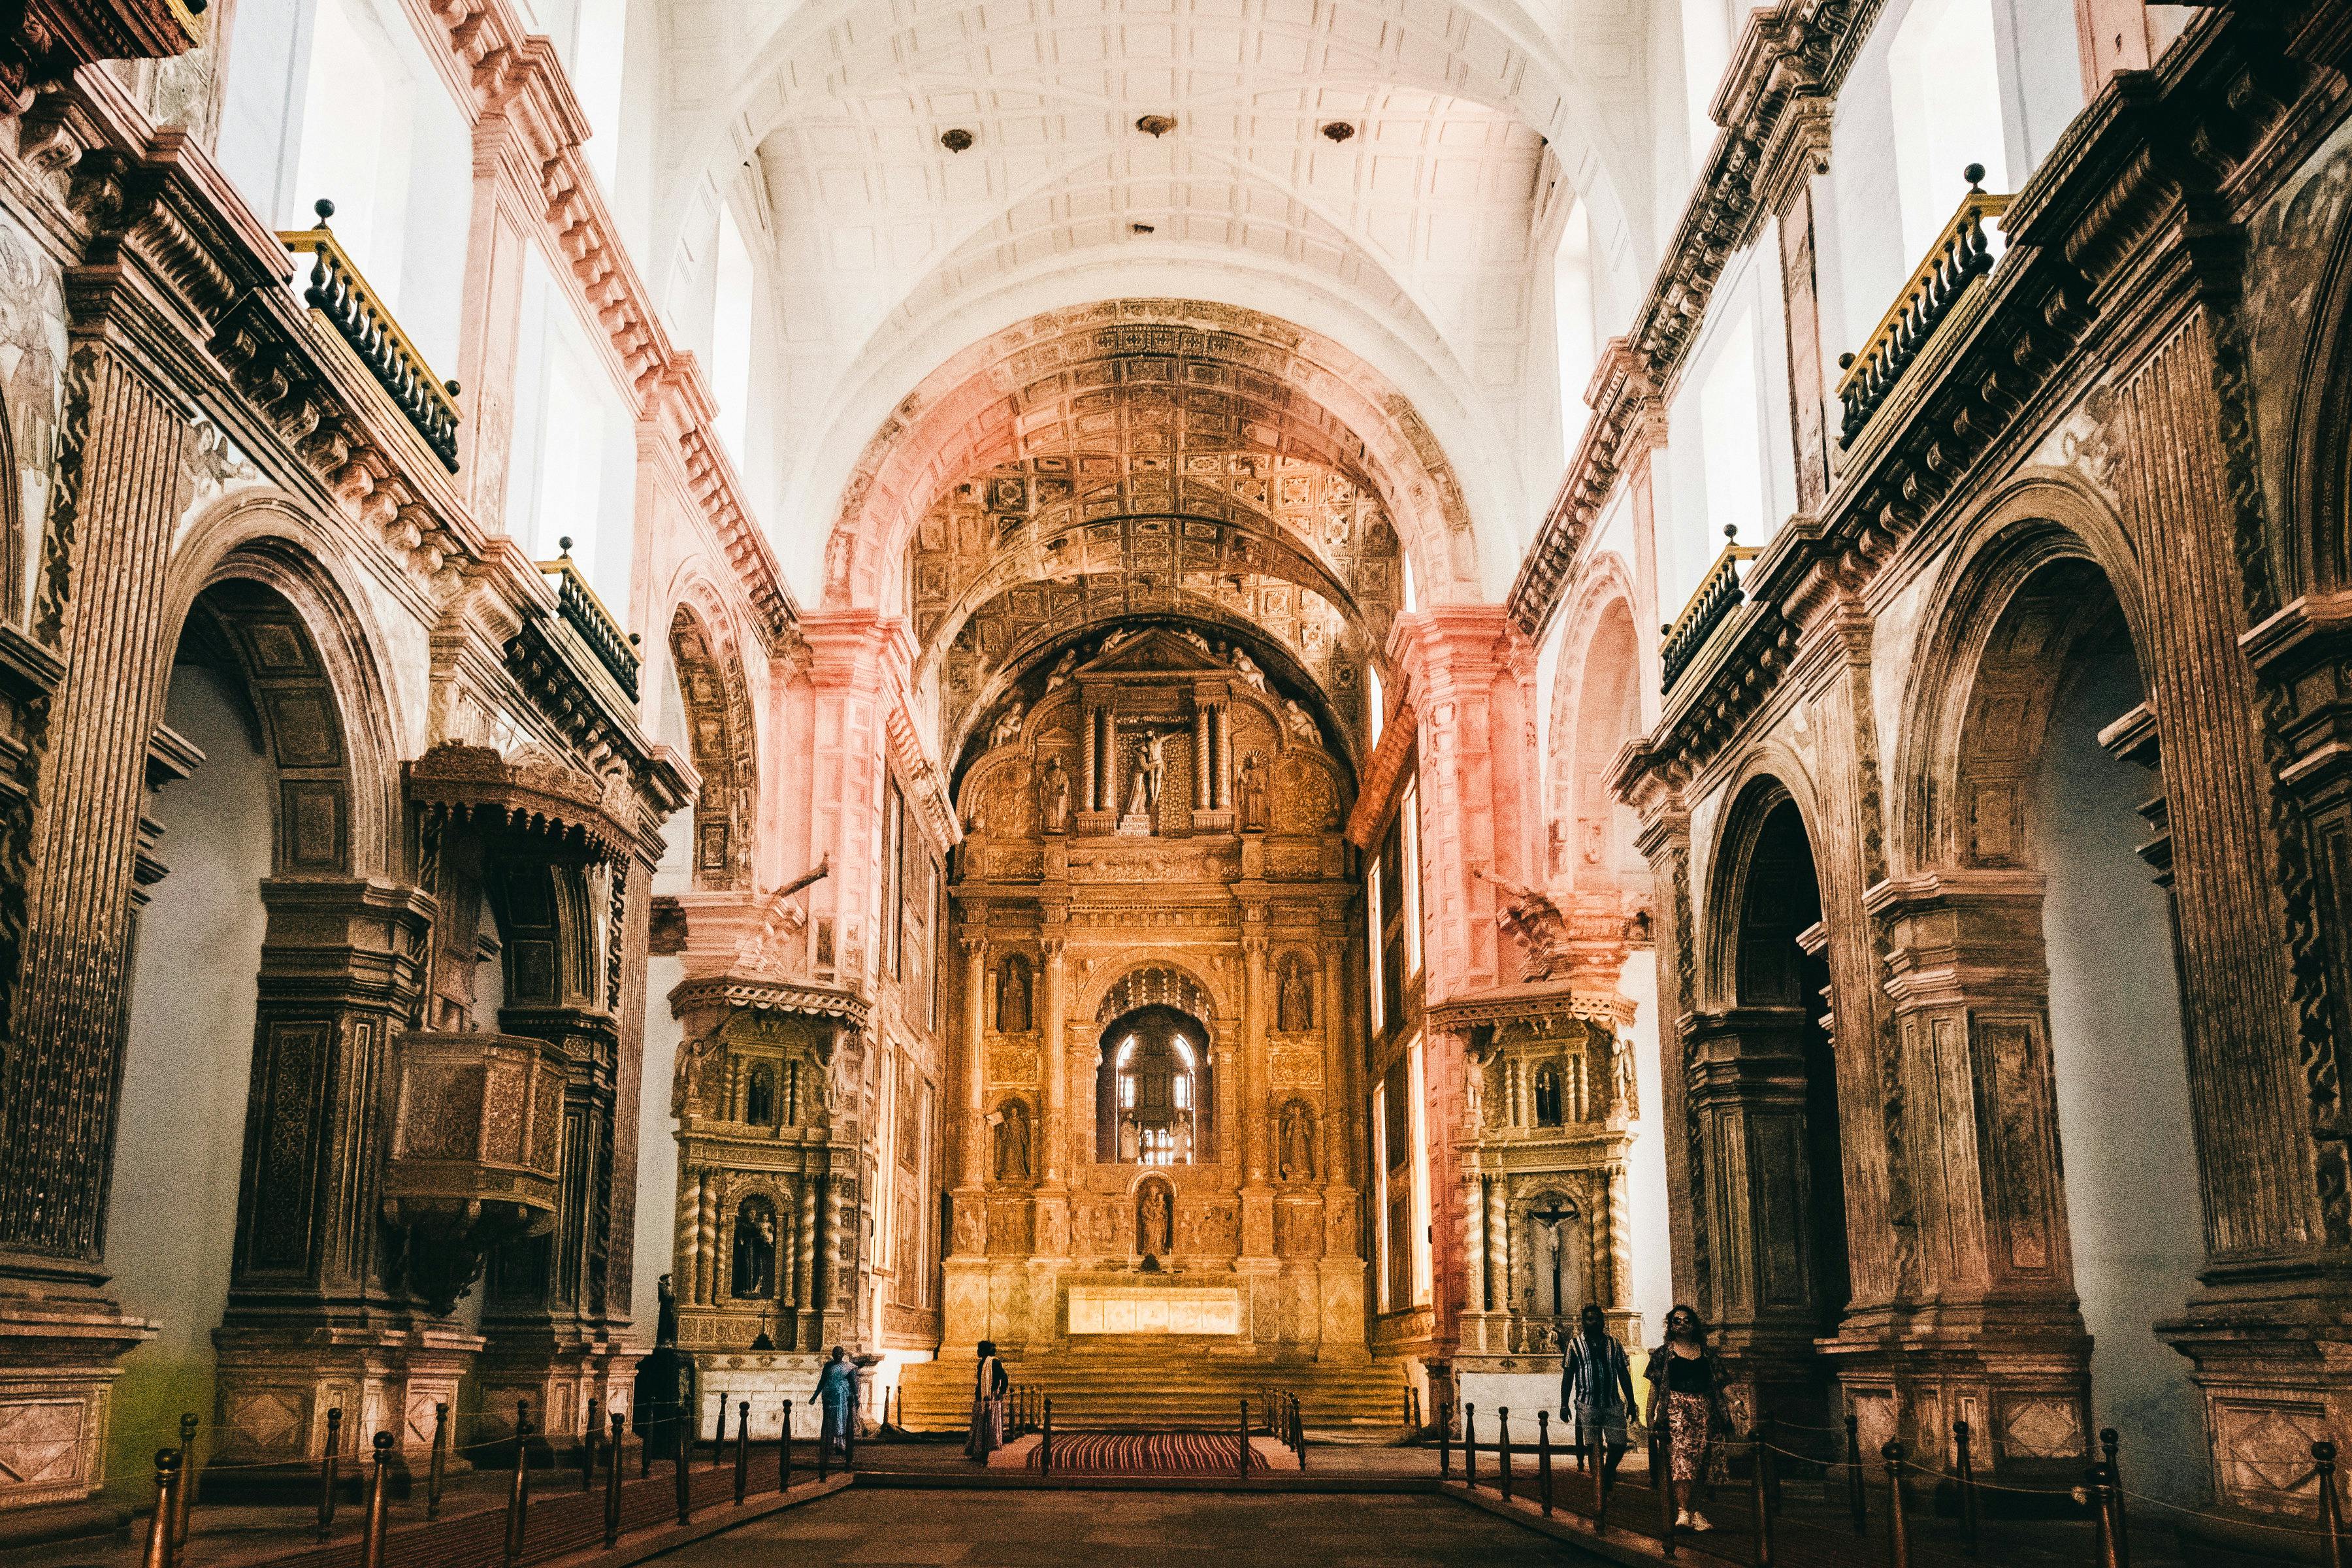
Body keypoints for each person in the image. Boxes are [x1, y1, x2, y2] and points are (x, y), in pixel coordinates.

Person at [1643, 1305, 1731, 1533]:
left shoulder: (1707, 1353)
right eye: (1677, 1321)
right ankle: (1683, 1511)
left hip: (1704, 1411)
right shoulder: (1664, 1354)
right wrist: (1649, 1413)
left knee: (1702, 1462)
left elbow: (1721, 1381)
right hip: (1676, 1411)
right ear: (1671, 1326)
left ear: (1694, 1325)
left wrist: (1737, 1403)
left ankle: (1696, 1511)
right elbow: (1654, 1385)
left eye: (1687, 1320)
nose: (1682, 1324)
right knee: (1681, 1461)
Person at [1561, 1303, 1637, 1486]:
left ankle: (1608, 1471)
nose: (1594, 1322)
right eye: (1590, 1319)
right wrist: (1564, 1404)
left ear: (1603, 1321)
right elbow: (1568, 1375)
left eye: (1597, 1319)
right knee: (1593, 1446)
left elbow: (1623, 1374)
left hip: (1612, 1402)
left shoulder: (1614, 1344)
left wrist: (1632, 1402)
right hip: (1587, 1403)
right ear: (1583, 1322)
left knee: (1618, 1444)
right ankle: (1599, 1483)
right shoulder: (1575, 1345)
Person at [812, 1346, 858, 1462]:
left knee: (842, 1420)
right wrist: (814, 1396)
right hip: (829, 1397)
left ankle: (841, 1445)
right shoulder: (828, 1366)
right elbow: (822, 1381)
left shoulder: (848, 1367)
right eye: (835, 1353)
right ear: (833, 1355)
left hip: (842, 1399)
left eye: (840, 1353)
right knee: (829, 1420)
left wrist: (857, 1397)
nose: (838, 1355)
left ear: (843, 1354)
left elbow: (853, 1384)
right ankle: (828, 1445)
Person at [966, 1339, 1009, 1461]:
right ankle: (978, 1450)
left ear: (984, 1351)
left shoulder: (994, 1362)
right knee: (979, 1424)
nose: (977, 1351)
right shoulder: (982, 1363)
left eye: (979, 1349)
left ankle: (984, 1451)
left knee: (987, 1424)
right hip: (981, 1397)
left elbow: (1004, 1377)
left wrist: (1001, 1392)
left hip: (990, 1398)